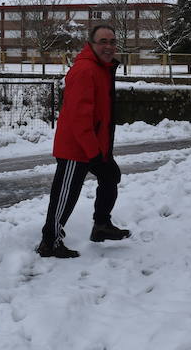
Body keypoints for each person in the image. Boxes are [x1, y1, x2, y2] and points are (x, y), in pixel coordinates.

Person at [37, 24, 131, 258]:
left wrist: (101, 151)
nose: (109, 46)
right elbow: (79, 118)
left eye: (112, 41)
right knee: (65, 194)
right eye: (103, 41)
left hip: (93, 144)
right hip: (76, 147)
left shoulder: (101, 68)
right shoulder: (85, 70)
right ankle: (50, 242)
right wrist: (93, 152)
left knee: (110, 176)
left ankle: (101, 226)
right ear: (91, 43)